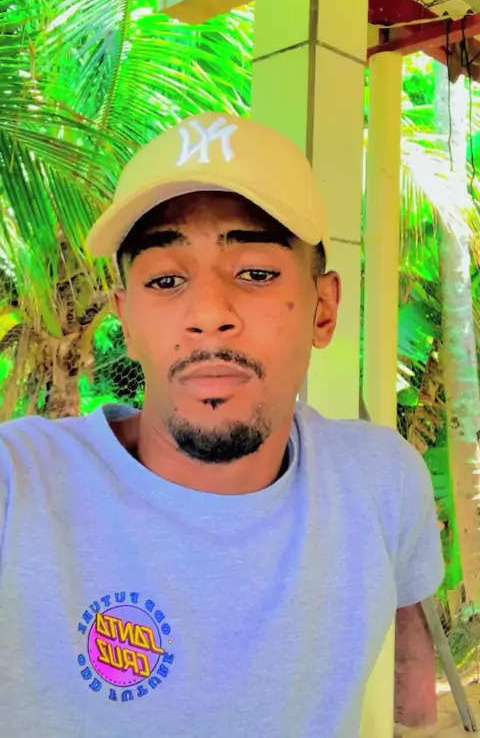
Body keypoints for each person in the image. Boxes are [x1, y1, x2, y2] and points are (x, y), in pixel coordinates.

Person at [0, 112, 444, 737]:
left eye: (255, 273)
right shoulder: (22, 488)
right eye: (166, 279)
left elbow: (411, 662)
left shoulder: (381, 480)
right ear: (127, 321)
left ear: (323, 309)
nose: (208, 313)